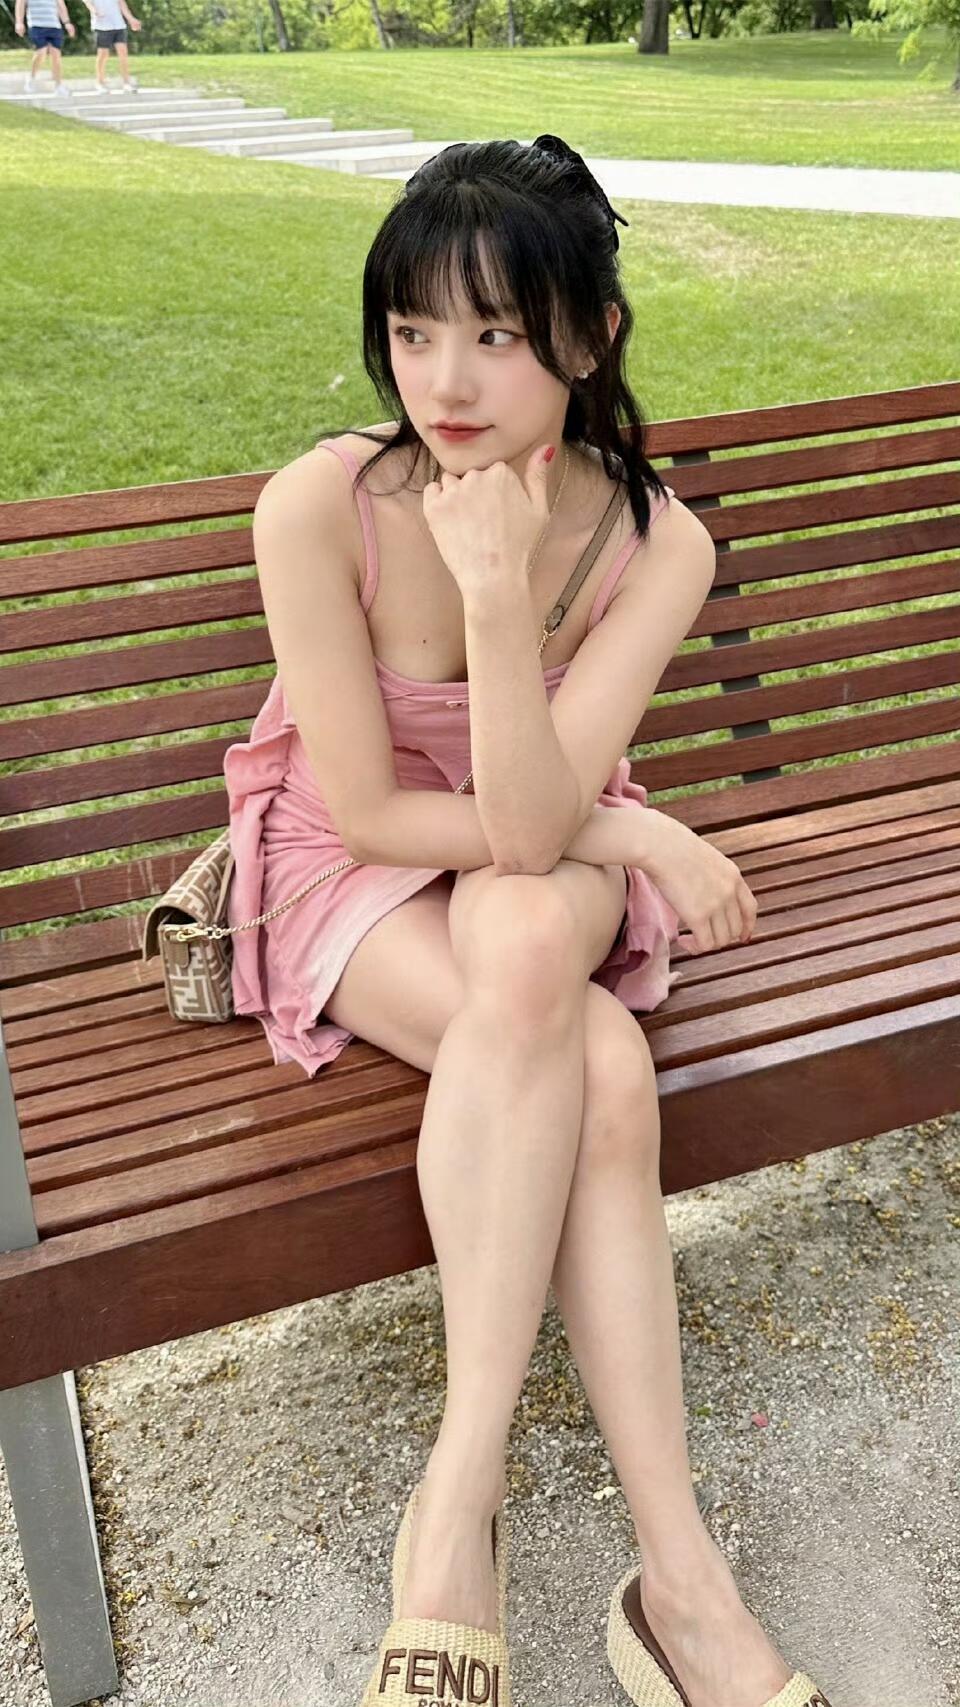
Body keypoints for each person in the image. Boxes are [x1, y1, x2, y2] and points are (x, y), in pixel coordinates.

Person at [222, 135, 833, 1707]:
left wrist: (501, 598)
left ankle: (457, 1508)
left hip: (537, 855)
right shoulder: (322, 507)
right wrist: (631, 825)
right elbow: (371, 813)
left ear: (591, 335)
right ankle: (675, 1584)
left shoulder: (657, 538)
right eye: (414, 329)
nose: (446, 378)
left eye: (496, 332)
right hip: (355, 866)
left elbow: (526, 825)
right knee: (602, 1063)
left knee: (524, 933)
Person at [14, 0, 76, 96]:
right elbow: (20, 4)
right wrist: (19, 22)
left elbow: (61, 5)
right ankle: (31, 78)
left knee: (56, 55)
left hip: (54, 25)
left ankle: (58, 85)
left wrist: (67, 23)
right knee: (41, 52)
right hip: (36, 25)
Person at [84, 0, 141, 92]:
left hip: (118, 24)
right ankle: (100, 82)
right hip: (102, 25)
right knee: (103, 54)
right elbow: (87, 2)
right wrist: (94, 10)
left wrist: (131, 19)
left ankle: (126, 83)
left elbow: (121, 3)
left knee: (123, 53)